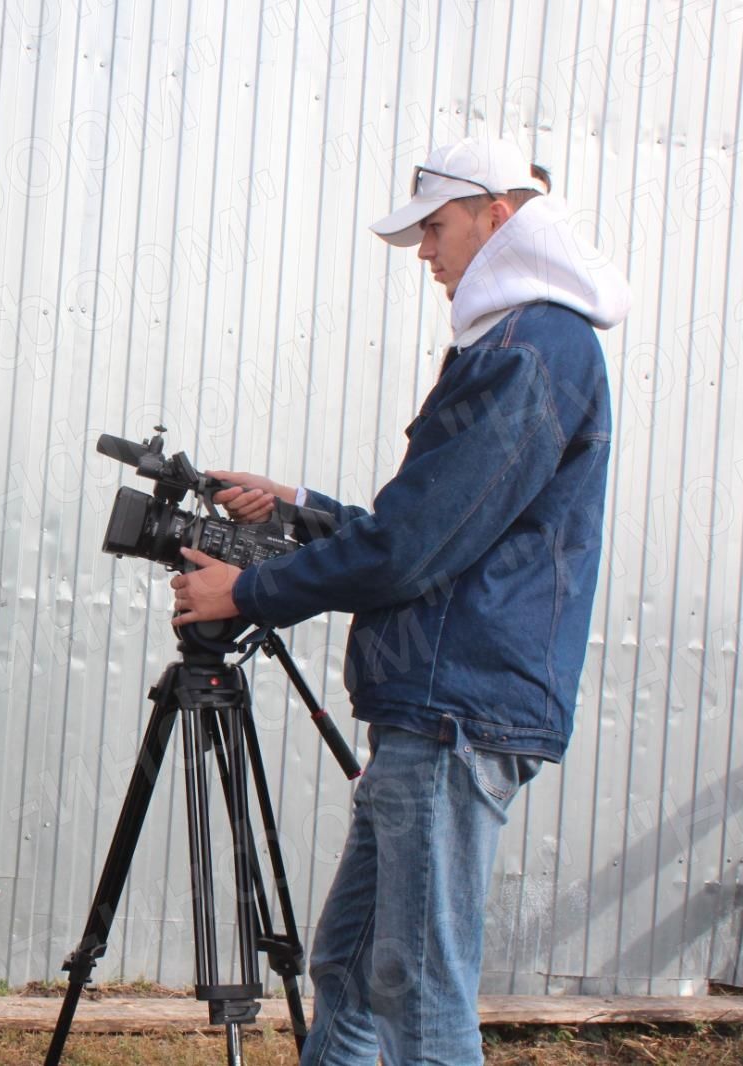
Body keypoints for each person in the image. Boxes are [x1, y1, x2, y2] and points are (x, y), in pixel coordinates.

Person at [168, 136, 630, 1065]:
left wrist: (251, 587)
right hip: (432, 709)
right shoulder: (513, 345)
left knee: (418, 988)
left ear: (498, 216)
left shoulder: (533, 349)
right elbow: (432, 526)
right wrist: (297, 508)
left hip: (455, 713)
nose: (426, 250)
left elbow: (414, 548)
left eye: (437, 226)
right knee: (351, 971)